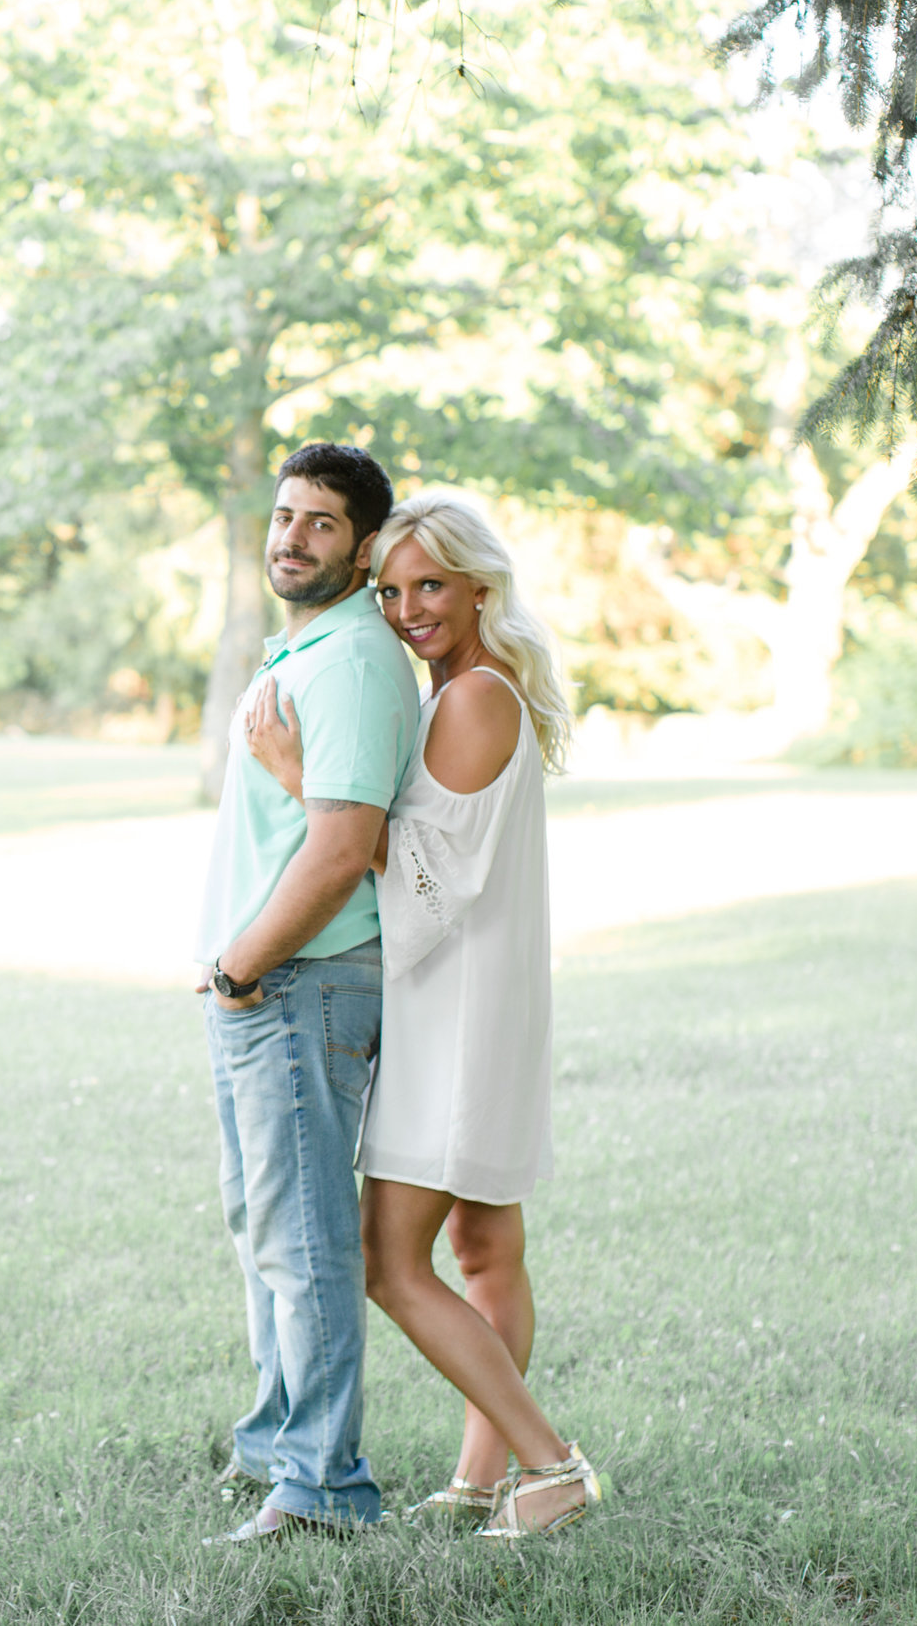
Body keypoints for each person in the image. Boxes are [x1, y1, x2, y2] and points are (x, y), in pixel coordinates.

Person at [245, 489, 603, 1540]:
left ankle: (554, 1464)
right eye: (392, 589)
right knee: (487, 1249)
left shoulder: (470, 698)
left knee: (389, 1261)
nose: (406, 609)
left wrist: (307, 781)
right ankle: (481, 1479)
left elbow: (431, 892)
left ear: (481, 585)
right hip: (482, 1007)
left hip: (454, 1016)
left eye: (430, 584)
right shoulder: (476, 687)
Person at [195, 442, 419, 1543]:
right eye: (284, 515)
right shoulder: (307, 647)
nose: (291, 536)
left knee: (307, 1239)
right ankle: (277, 1441)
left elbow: (343, 848)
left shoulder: (354, 660)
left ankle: (324, 1485)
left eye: (320, 522)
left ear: (364, 544)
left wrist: (242, 964)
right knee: (264, 1227)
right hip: (264, 983)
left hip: (298, 981)